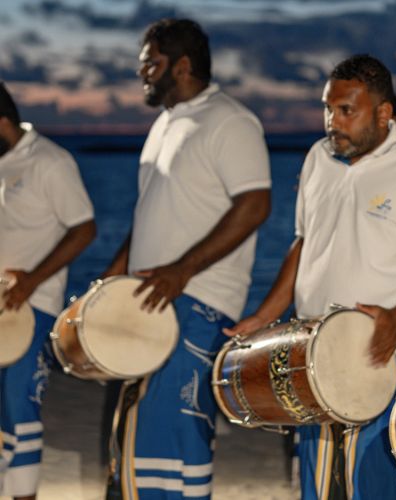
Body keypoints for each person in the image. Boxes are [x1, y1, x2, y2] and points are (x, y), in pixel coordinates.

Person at [225, 54, 396, 500]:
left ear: (384, 113)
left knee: (375, 484)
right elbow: (304, 244)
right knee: (320, 484)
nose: (332, 121)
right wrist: (265, 316)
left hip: (389, 355)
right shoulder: (317, 160)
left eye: (346, 111)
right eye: (328, 108)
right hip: (315, 352)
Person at [102, 19, 271, 500]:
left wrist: (182, 270)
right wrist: (114, 275)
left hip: (197, 301)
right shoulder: (165, 124)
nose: (143, 75)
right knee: (137, 436)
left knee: (176, 435)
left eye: (150, 64)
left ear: (181, 65)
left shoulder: (229, 120)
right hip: (151, 302)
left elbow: (255, 204)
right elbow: (149, 214)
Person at [0, 82, 96, 500]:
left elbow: (84, 228)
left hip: (34, 307)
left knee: (19, 407)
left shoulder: (51, 162)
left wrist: (32, 280)